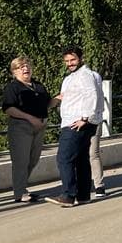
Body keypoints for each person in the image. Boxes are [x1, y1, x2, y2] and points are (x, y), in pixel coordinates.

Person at [48, 47, 103, 208]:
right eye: (67, 61)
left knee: (64, 158)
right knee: (81, 160)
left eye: (73, 60)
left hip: (76, 122)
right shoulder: (73, 77)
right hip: (78, 121)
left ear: (81, 58)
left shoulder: (84, 75)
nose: (70, 64)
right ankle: (83, 195)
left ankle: (68, 195)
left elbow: (92, 94)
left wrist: (85, 118)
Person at [2, 56, 51, 203]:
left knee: (33, 159)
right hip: (21, 127)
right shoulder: (13, 87)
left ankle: (23, 187)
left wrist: (63, 97)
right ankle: (19, 193)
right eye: (21, 67)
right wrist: (30, 119)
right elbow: (8, 108)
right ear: (14, 71)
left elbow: (47, 103)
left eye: (27, 65)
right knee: (21, 161)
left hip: (39, 127)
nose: (25, 69)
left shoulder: (38, 85)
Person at [88, 67, 107, 198]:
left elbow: (97, 99)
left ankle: (99, 185)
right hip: (77, 121)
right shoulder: (70, 79)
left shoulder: (94, 76)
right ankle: (87, 183)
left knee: (93, 153)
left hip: (93, 120)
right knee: (82, 154)